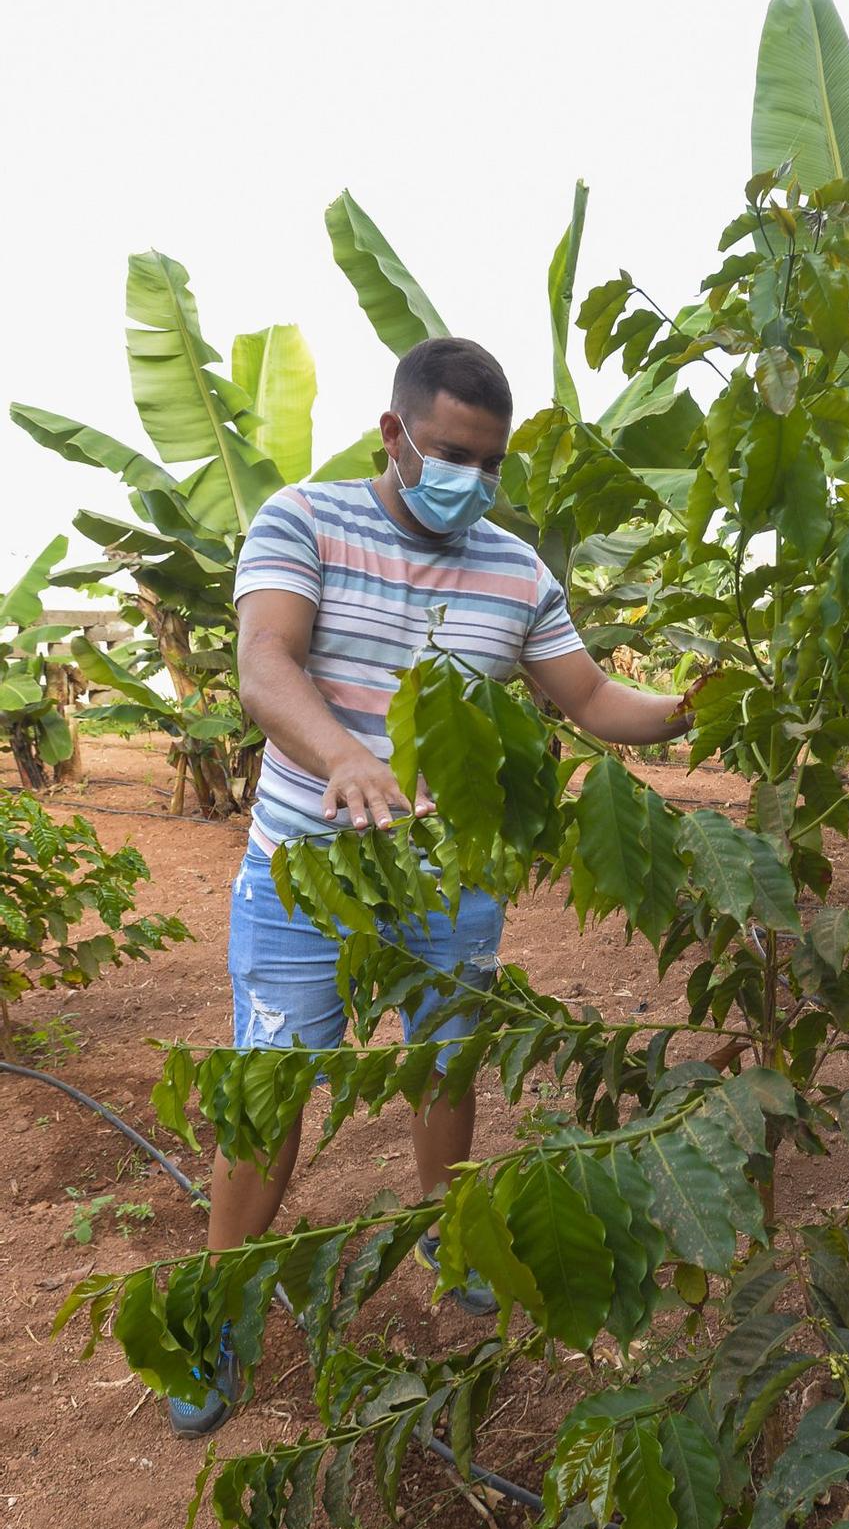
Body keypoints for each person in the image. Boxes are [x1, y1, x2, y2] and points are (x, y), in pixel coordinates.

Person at [168, 337, 690, 1436]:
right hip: (303, 871)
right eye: (453, 453)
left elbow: (591, 698)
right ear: (393, 434)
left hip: (449, 876)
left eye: (491, 463)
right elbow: (267, 663)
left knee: (446, 1062)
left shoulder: (515, 569)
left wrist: (693, 707)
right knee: (270, 1093)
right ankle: (214, 1311)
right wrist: (345, 758)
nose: (474, 479)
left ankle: (450, 1242)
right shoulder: (301, 519)